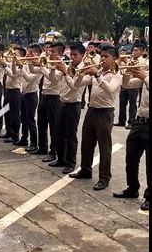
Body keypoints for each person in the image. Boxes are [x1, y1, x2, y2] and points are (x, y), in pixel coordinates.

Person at [70, 46, 122, 190]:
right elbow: (76, 84)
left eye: (106, 57)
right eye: (102, 56)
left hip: (105, 113)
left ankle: (104, 178)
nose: (103, 59)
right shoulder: (96, 71)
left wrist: (97, 75)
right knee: (86, 143)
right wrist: (81, 73)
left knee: (104, 147)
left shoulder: (116, 74)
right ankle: (85, 170)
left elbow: (111, 89)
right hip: (92, 110)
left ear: (114, 59)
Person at [113, 69, 149, 211]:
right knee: (131, 156)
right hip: (140, 122)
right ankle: (132, 188)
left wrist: (145, 77)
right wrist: (127, 73)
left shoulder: (146, 76)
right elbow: (128, 85)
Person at [48, 44, 86, 174]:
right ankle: (60, 159)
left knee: (70, 136)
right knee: (59, 134)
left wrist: (64, 72)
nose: (73, 57)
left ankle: (70, 163)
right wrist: (53, 67)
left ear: (82, 56)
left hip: (73, 105)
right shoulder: (68, 66)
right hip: (62, 103)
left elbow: (74, 86)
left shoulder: (83, 70)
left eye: (76, 55)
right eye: (72, 55)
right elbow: (52, 79)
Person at [14, 43, 43, 151]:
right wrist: (16, 62)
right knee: (23, 118)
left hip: (32, 94)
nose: (27, 55)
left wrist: (22, 66)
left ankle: (34, 143)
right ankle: (24, 138)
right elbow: (14, 73)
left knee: (31, 120)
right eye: (27, 52)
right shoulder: (27, 63)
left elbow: (28, 78)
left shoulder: (39, 66)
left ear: (36, 54)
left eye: (30, 53)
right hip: (24, 93)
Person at [114, 43, 147, 129]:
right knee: (122, 102)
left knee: (132, 104)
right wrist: (124, 63)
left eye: (136, 50)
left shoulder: (143, 61)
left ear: (142, 52)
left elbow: (142, 74)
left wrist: (135, 68)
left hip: (135, 84)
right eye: (133, 50)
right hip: (126, 81)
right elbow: (123, 69)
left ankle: (131, 121)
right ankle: (121, 120)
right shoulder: (130, 59)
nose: (134, 52)